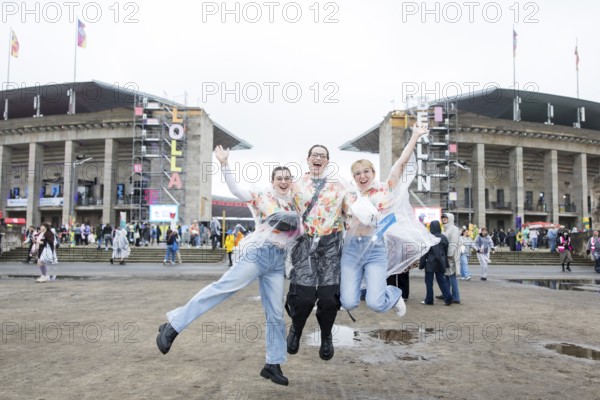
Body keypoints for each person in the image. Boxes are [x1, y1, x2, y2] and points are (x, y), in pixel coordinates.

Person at [156, 145, 302, 386]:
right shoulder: (262, 196)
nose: (284, 182)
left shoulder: (297, 205)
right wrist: (224, 164)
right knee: (222, 289)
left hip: (277, 262)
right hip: (257, 254)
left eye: (287, 178)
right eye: (279, 178)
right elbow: (235, 190)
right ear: (273, 181)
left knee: (275, 313)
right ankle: (173, 326)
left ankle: (272, 363)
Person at [340, 123, 434, 317]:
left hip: (375, 249)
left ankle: (393, 294)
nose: (362, 176)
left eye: (366, 171)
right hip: (351, 251)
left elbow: (400, 164)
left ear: (373, 173)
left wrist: (415, 136)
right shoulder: (348, 196)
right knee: (348, 302)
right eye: (357, 173)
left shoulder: (384, 189)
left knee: (375, 303)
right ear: (354, 177)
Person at [285, 144, 351, 362]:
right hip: (304, 246)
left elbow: (353, 211)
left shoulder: (340, 185)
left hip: (331, 246)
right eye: (315, 155)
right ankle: (296, 328)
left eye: (322, 156)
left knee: (329, 299)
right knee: (303, 298)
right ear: (307, 159)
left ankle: (326, 336)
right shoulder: (295, 186)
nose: (318, 158)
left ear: (328, 162)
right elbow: (279, 206)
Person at [418, 220, 452, 305]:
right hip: (441, 263)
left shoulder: (429, 238)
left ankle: (429, 300)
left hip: (430, 262)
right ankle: (448, 298)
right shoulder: (444, 238)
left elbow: (424, 252)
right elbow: (445, 251)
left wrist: (421, 264)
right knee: (442, 281)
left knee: (429, 282)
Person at [440, 213, 460, 304]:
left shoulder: (454, 229)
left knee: (452, 276)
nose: (444, 219)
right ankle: (447, 294)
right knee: (446, 276)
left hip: (450, 256)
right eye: (443, 217)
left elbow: (453, 242)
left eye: (446, 218)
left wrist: (449, 254)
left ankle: (456, 297)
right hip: (445, 256)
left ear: (450, 219)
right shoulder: (445, 229)